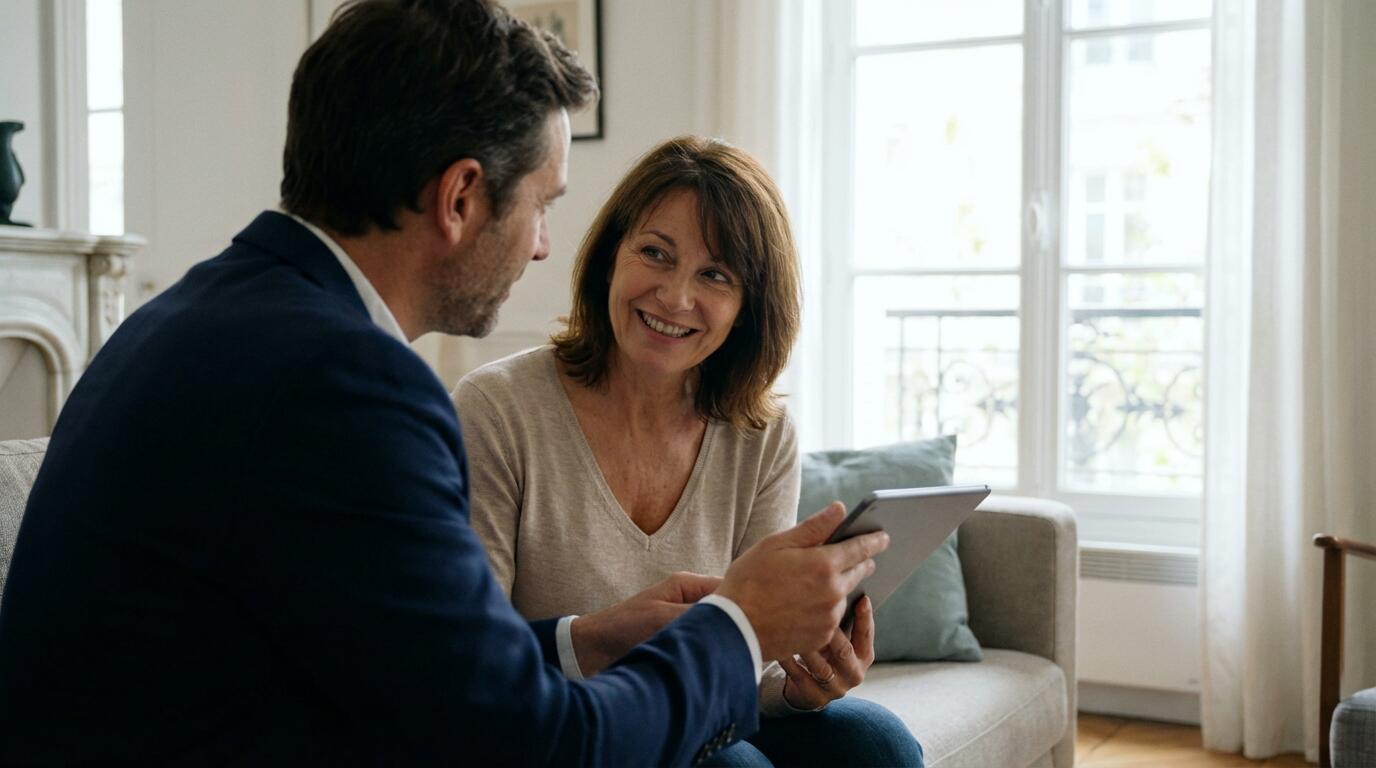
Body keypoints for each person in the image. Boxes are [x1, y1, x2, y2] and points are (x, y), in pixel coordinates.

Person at [0, 1, 890, 764]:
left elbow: (409, 657)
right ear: (462, 198)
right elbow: (536, 751)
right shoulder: (349, 385)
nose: (544, 244)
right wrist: (736, 627)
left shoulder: (207, 313)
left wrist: (587, 640)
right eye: (542, 202)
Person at [454, 136, 925, 767]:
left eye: (715, 275)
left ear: (746, 308)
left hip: (702, 707)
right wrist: (601, 637)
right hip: (569, 728)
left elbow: (750, 666)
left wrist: (801, 688)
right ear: (610, 259)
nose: (675, 298)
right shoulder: (497, 409)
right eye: (655, 253)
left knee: (876, 743)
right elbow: (462, 660)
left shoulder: (762, 435)